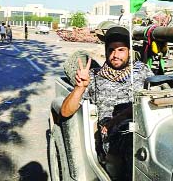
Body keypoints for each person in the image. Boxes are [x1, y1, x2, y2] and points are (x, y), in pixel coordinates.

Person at [60, 26, 153, 180]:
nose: (115, 55)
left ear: (129, 51)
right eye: (111, 50)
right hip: (116, 137)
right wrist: (80, 87)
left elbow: (157, 94)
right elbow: (65, 112)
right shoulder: (94, 77)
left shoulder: (142, 71)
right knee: (133, 145)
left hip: (146, 127)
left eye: (121, 50)